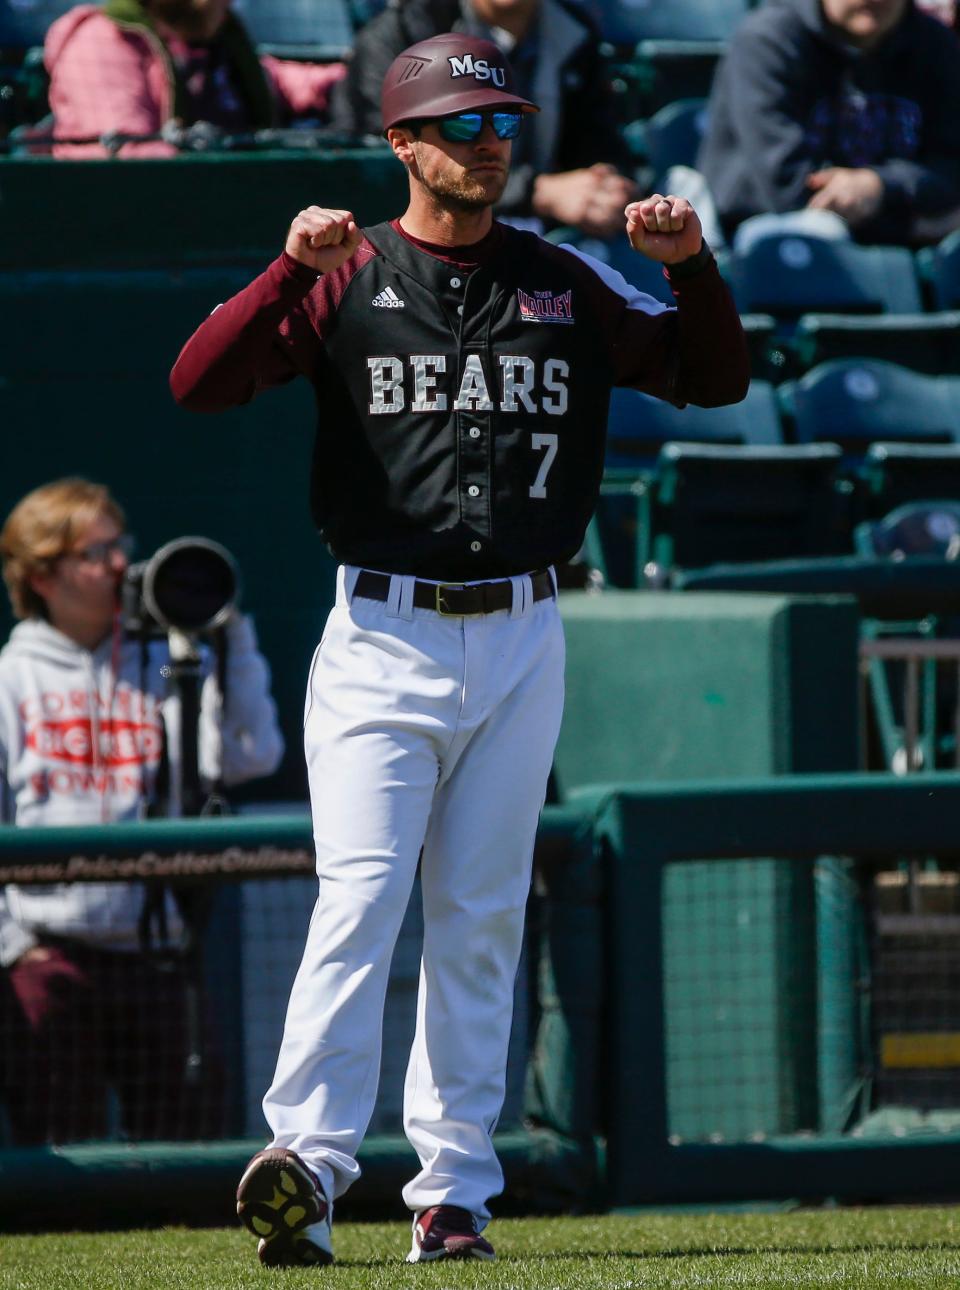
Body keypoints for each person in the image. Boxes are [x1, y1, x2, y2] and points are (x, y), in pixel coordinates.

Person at [170, 31, 748, 1265]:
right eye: (465, 126)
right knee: (363, 900)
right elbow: (200, 384)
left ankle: (454, 1193)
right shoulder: (343, 271)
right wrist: (282, 271)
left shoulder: (562, 277)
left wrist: (691, 266)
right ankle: (308, 1171)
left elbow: (714, 376)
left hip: (526, 627)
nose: (491, 144)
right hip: (382, 626)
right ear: (405, 143)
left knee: (482, 914)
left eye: (502, 125)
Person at [0, 478, 284, 1144]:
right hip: (52, 960)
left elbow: (250, 752)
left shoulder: (169, 659)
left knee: (185, 1150)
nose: (121, 566)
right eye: (95, 553)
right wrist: (18, 950)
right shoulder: (13, 677)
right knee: (60, 1156)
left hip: (162, 953)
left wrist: (229, 634)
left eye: (120, 546)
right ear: (43, 575)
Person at [330, 0, 637, 237]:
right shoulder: (402, 33)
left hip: (546, 241)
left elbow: (602, 140)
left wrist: (604, 184)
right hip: (425, 245)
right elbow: (379, 166)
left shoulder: (576, 32)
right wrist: (536, 192)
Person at [697, 0, 960, 247]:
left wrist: (879, 185)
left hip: (898, 228)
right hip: (765, 235)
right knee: (816, 230)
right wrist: (912, 213)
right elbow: (786, 187)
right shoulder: (768, 40)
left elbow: (951, 165)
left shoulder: (935, 45)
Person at [43, 0, 347, 158]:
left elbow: (279, 80)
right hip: (139, 232)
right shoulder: (102, 40)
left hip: (234, 210)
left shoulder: (216, 40)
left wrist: (366, 75)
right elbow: (125, 156)